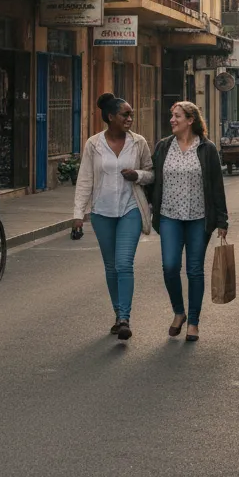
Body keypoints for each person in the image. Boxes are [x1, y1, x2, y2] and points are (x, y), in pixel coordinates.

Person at [72, 93, 154, 341]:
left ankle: (125, 318)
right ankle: (117, 313)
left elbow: (151, 173)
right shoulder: (93, 144)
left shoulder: (138, 143)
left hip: (130, 209)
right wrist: (78, 214)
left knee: (124, 263)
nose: (130, 118)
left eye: (131, 114)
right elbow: (85, 179)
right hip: (101, 212)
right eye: (125, 114)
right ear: (110, 117)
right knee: (110, 266)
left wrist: (137, 175)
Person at [148, 102, 229, 343]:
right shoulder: (163, 147)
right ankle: (178, 312)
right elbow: (153, 179)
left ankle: (193, 322)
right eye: (171, 115)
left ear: (190, 120)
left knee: (194, 270)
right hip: (169, 216)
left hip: (198, 218)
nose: (172, 120)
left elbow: (216, 185)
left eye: (177, 116)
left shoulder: (207, 148)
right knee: (170, 266)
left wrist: (222, 219)